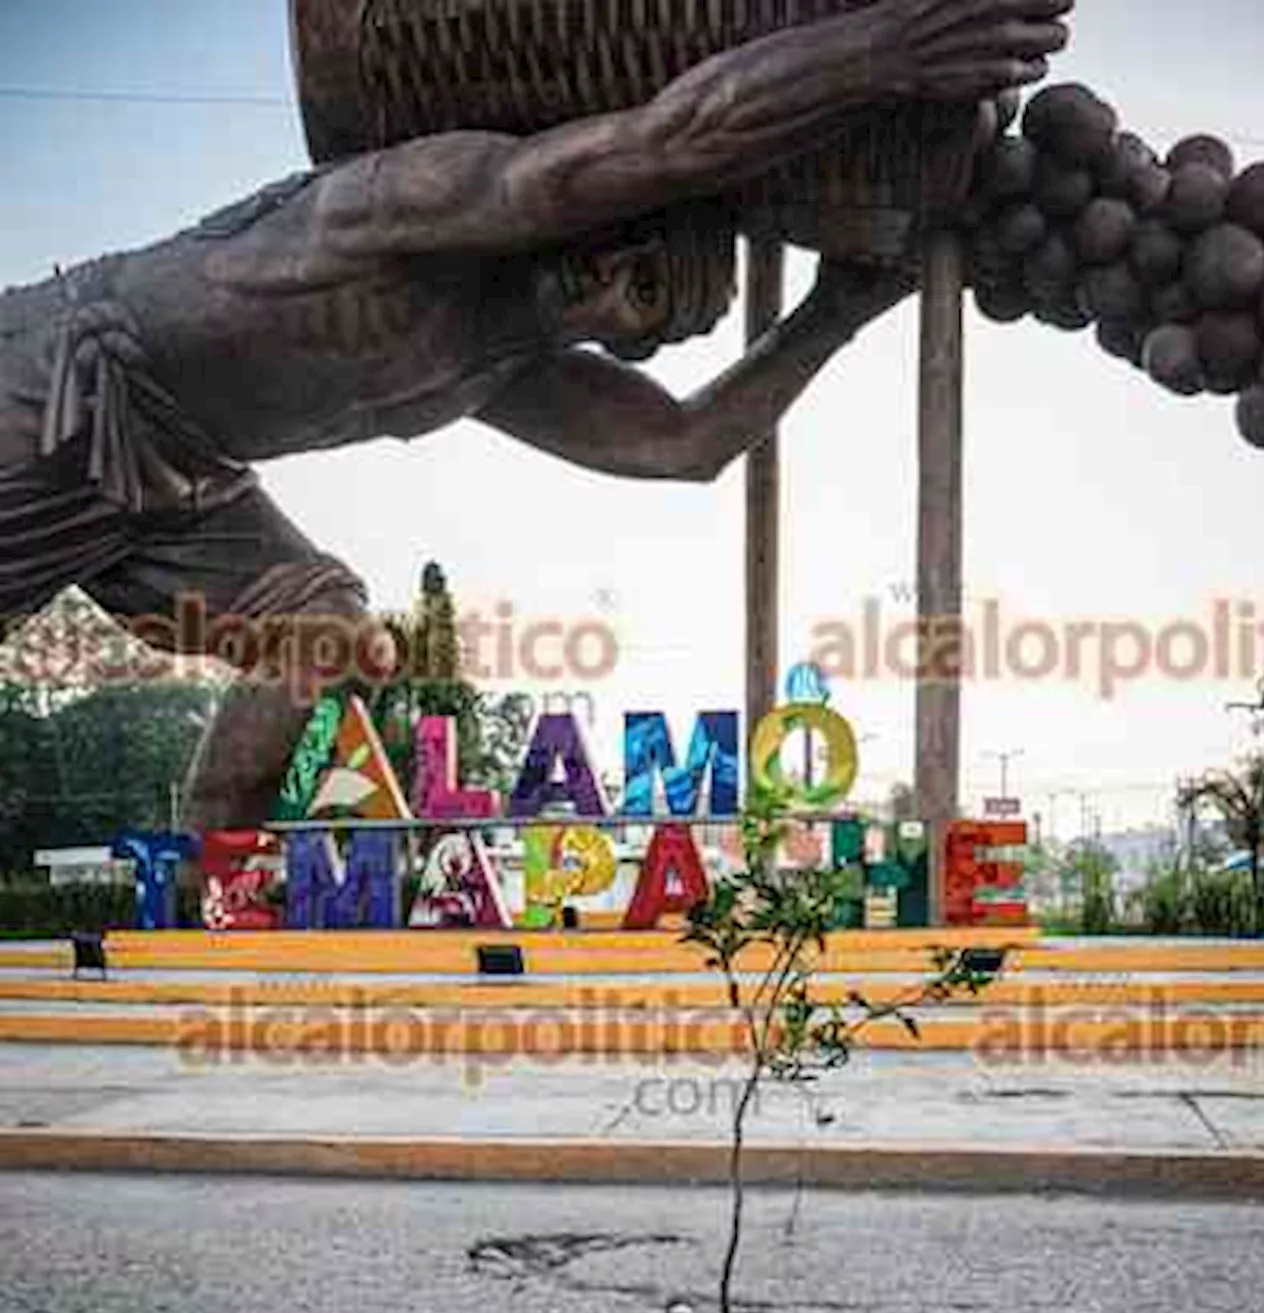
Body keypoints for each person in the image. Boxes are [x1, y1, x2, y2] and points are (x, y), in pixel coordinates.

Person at [0, 0, 1071, 827]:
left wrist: (832, 312)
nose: (608, 288)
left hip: (185, 477)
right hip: (66, 382)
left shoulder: (497, 364)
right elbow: (675, 135)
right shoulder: (437, 199)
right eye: (628, 256)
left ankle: (205, 885)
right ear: (605, 214)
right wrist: (883, 50)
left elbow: (680, 443)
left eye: (640, 308)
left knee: (321, 631)